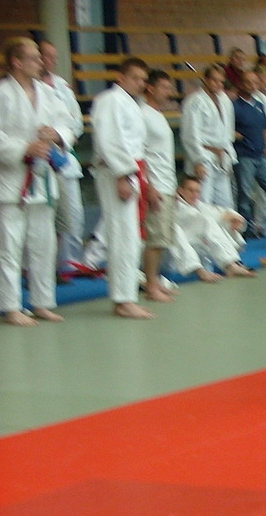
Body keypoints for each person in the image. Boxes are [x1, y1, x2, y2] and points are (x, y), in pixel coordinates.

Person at [0, 37, 75, 326]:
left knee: (44, 245)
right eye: (33, 58)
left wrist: (57, 134)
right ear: (16, 62)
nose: (40, 62)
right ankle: (10, 306)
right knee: (9, 246)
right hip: (11, 182)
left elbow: (68, 124)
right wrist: (24, 148)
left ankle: (42, 302)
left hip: (42, 181)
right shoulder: (1, 94)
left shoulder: (48, 92)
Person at [90, 56, 153, 319]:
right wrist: (122, 175)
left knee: (130, 237)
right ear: (121, 77)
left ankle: (126, 297)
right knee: (121, 236)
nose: (140, 83)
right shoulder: (110, 100)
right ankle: (122, 299)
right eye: (135, 78)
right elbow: (109, 140)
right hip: (116, 172)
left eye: (143, 80)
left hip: (130, 170)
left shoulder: (131, 103)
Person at [38, 40, 86, 276]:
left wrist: (60, 136)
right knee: (41, 220)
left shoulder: (62, 87)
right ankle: (35, 269)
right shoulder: (20, 88)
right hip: (37, 159)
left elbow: (75, 123)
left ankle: (68, 265)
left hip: (63, 158)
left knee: (72, 215)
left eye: (54, 57)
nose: (51, 61)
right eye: (46, 56)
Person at [139, 69, 183, 303]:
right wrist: (150, 187)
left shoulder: (158, 115)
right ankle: (150, 286)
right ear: (151, 88)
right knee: (155, 239)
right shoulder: (143, 114)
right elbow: (141, 153)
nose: (168, 92)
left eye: (169, 88)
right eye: (164, 87)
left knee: (163, 238)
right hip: (155, 183)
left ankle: (155, 282)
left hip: (167, 181)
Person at [232, 69, 266, 239]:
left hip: (261, 156)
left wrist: (265, 146)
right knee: (245, 196)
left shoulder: (259, 105)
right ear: (241, 83)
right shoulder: (234, 106)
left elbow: (265, 129)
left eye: (255, 82)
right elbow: (227, 129)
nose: (252, 86)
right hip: (244, 156)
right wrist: (239, 137)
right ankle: (247, 232)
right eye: (248, 82)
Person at [173, 175, 256, 279]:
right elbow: (195, 216)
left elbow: (216, 211)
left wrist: (235, 218)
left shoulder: (198, 205)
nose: (194, 195)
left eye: (197, 191)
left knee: (224, 221)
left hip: (198, 249)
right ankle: (228, 265)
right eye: (190, 190)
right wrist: (224, 217)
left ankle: (233, 264)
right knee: (209, 221)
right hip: (174, 257)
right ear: (180, 191)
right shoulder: (176, 206)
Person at [180, 64, 236, 208]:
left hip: (221, 157)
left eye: (221, 81)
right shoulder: (194, 101)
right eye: (214, 80)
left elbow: (228, 130)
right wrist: (198, 160)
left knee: (226, 204)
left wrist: (228, 155)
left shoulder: (225, 100)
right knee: (203, 201)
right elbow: (189, 134)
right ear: (205, 79)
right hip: (204, 156)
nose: (218, 84)